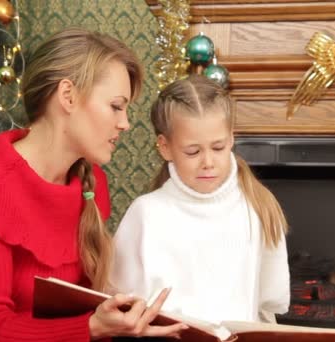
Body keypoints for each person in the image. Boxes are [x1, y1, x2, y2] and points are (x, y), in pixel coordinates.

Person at [0, 27, 187, 341]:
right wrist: (93, 327)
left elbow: (77, 307)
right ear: (67, 95)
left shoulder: (90, 180)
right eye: (115, 106)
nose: (124, 123)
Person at [110, 75, 290, 326]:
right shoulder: (146, 213)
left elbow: (269, 304)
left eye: (218, 147)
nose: (208, 161)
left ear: (231, 139)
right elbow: (119, 302)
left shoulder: (257, 208)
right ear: (165, 147)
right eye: (193, 151)